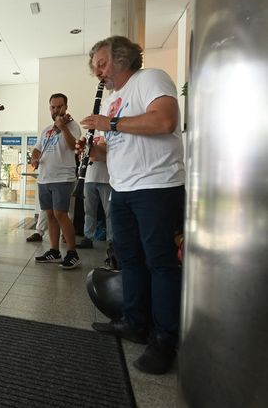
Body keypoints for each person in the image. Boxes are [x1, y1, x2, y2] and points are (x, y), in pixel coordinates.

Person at [78, 35, 185, 375]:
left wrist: (108, 124)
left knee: (161, 263)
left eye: (102, 64)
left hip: (156, 187)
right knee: (130, 260)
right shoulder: (114, 100)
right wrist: (94, 150)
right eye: (95, 67)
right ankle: (136, 323)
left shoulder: (149, 79)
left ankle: (166, 340)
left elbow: (165, 121)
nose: (98, 73)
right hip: (122, 189)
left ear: (122, 59)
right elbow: (120, 147)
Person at [30, 93, 82, 269]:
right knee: (50, 215)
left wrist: (63, 127)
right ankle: (54, 251)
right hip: (44, 177)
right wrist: (34, 159)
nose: (56, 110)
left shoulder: (72, 125)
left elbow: (73, 146)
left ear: (65, 107)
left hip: (63, 177)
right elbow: (36, 150)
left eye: (59, 106)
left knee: (61, 214)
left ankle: (73, 252)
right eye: (53, 107)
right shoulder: (46, 130)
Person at [76, 134, 113, 250]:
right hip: (88, 177)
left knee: (109, 212)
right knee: (89, 211)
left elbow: (100, 155)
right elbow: (81, 155)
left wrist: (90, 150)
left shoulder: (106, 133)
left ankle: (112, 240)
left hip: (105, 178)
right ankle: (88, 237)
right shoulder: (87, 135)